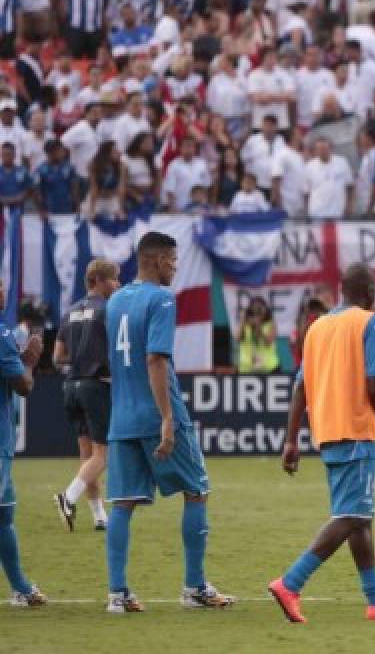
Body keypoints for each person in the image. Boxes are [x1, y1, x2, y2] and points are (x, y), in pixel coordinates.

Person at [103, 231, 234, 613]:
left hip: (122, 417)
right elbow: (155, 360)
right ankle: (194, 588)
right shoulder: (161, 298)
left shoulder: (115, 302)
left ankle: (117, 594)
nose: (175, 267)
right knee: (196, 491)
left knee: (123, 503)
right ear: (157, 260)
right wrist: (166, 419)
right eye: (173, 261)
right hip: (156, 412)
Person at [268, 264, 375, 623]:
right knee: (351, 517)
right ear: (369, 291)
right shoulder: (368, 322)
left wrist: (291, 440)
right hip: (358, 431)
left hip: (328, 432)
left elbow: (301, 387)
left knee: (360, 519)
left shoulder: (317, 327)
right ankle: (291, 583)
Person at [52, 259, 120, 533]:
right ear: (101, 281)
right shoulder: (108, 310)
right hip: (95, 386)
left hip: (71, 387)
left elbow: (57, 357)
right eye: (115, 279)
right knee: (102, 456)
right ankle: (67, 497)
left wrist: (79, 358)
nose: (118, 285)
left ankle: (99, 516)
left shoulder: (69, 312)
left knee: (88, 456)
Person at [0, 279, 45, 607]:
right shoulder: (2, 334)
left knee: (4, 515)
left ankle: (22, 589)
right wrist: (29, 360)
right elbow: (22, 386)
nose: (4, 293)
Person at [237, 296, 279, 374]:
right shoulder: (245, 325)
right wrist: (243, 320)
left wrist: (258, 327)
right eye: (254, 312)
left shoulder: (271, 325)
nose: (256, 315)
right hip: (246, 368)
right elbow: (238, 339)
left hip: (269, 368)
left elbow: (268, 342)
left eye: (259, 311)